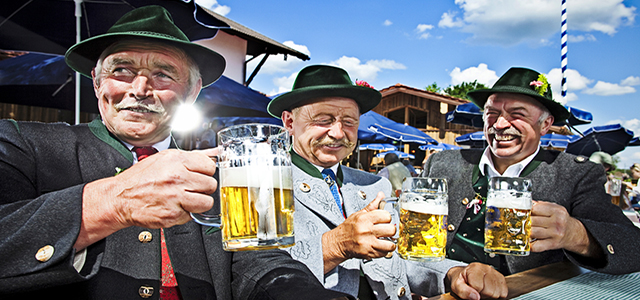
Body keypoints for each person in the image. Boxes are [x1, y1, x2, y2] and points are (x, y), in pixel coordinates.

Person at [0, 7, 350, 300]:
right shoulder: (22, 144)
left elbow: (261, 263)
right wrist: (111, 201)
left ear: (193, 91)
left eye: (163, 74)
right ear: (96, 81)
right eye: (121, 70)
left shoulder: (223, 176)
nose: (139, 89)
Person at [267, 65, 508, 300]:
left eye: (349, 122)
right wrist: (335, 246)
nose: (339, 133)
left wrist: (453, 273)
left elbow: (400, 259)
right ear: (289, 122)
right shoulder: (262, 185)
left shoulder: (374, 185)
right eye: (323, 120)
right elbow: (255, 272)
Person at [422, 67, 640, 276]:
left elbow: (633, 246)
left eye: (517, 114)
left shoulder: (575, 174)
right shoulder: (442, 163)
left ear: (545, 125)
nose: (499, 124)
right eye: (492, 113)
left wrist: (576, 234)